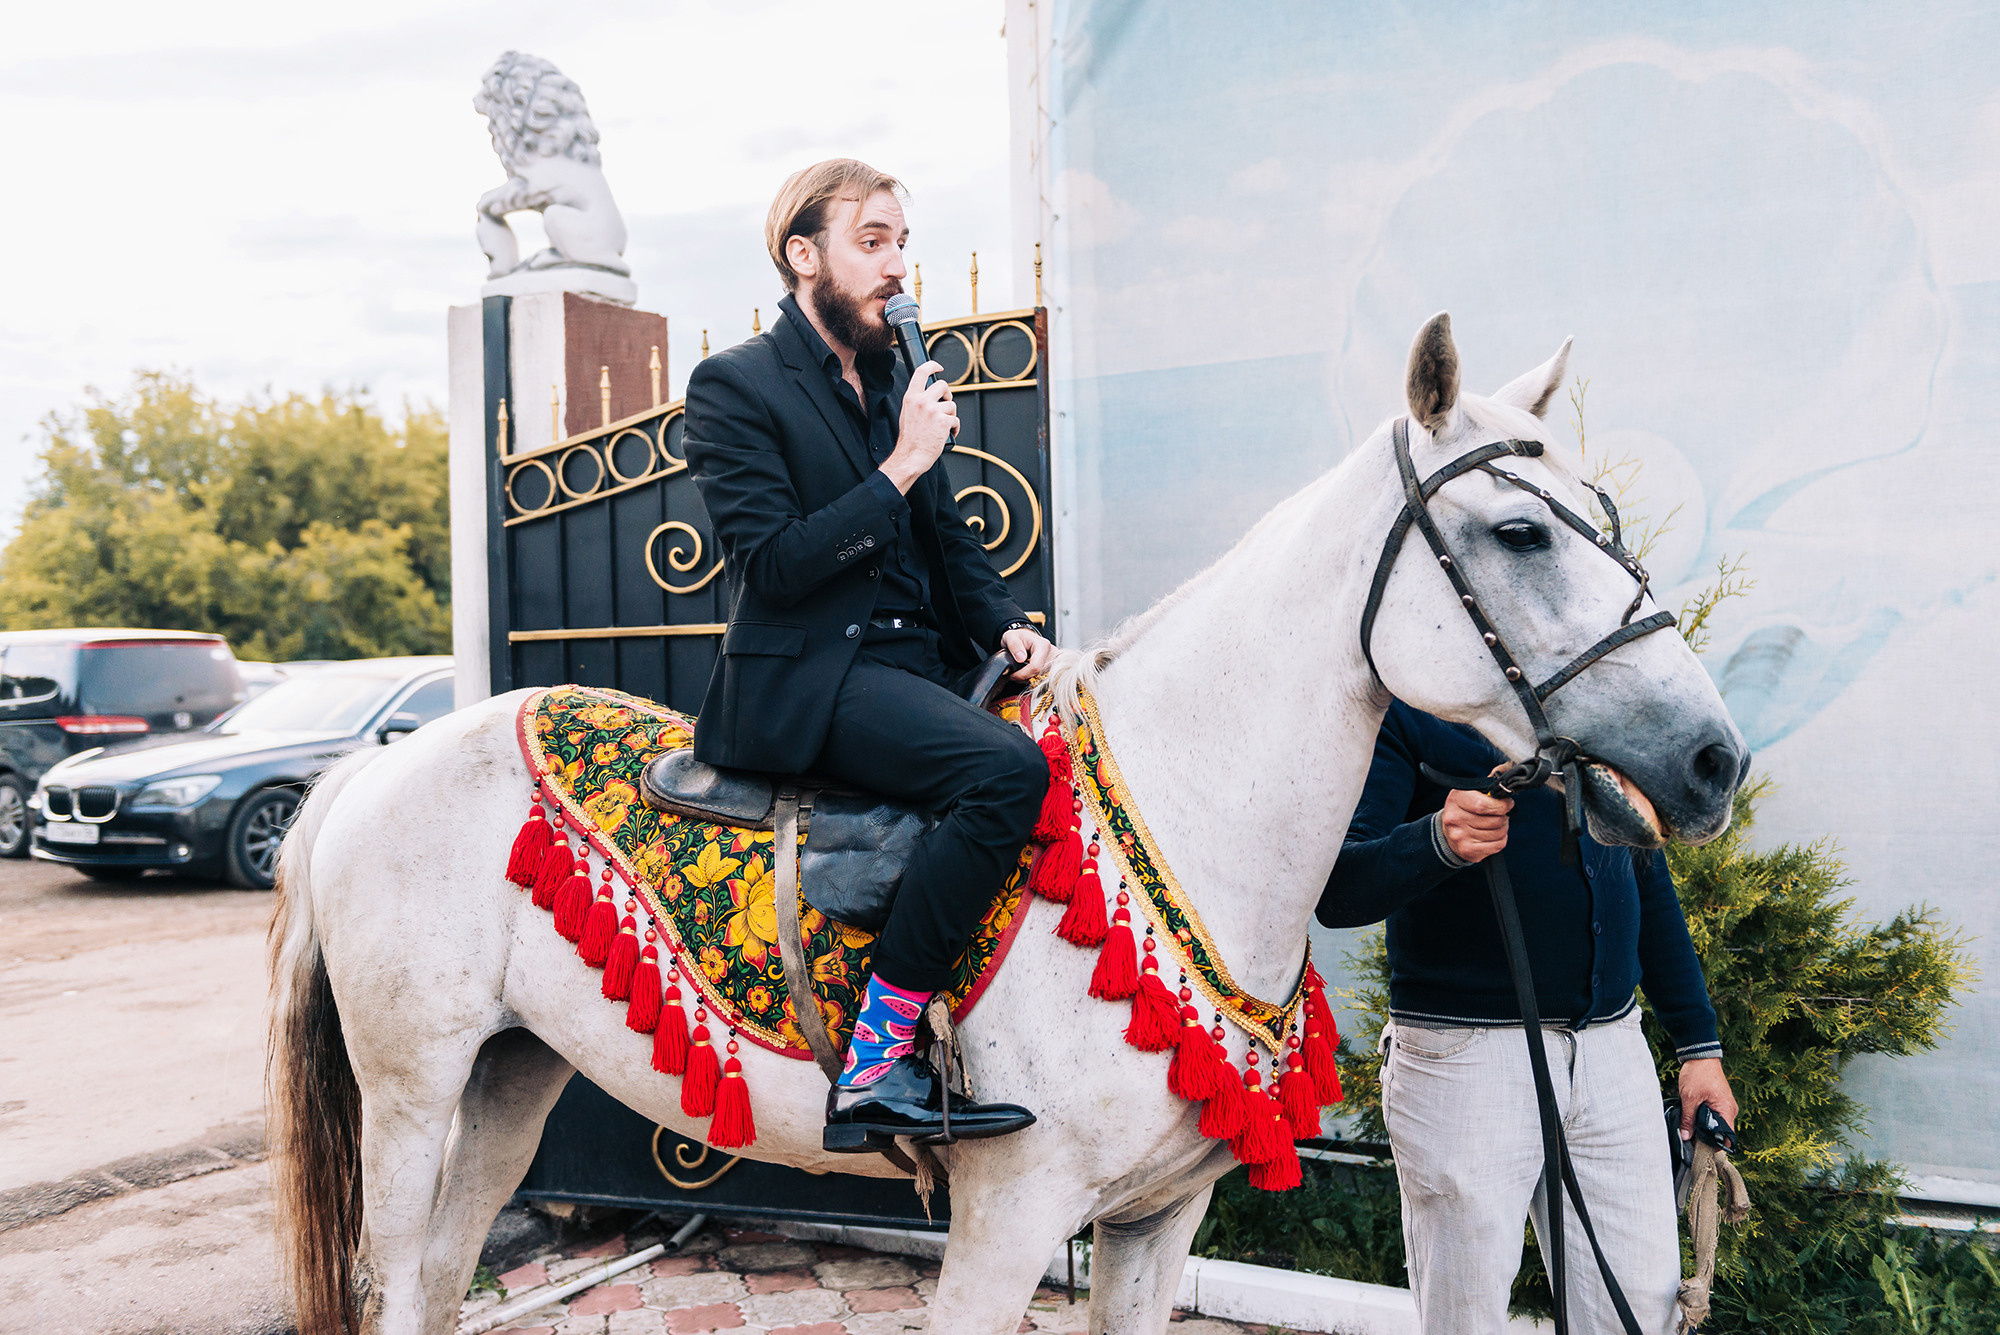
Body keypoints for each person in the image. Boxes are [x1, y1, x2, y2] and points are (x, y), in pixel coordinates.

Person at [682, 159, 1054, 1152]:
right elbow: (773, 565)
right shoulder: (735, 386)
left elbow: (946, 538)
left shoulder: (892, 377)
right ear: (805, 256)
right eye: (872, 242)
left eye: (902, 243)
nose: (897, 267)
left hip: (915, 667)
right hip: (815, 681)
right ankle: (875, 1066)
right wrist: (900, 463)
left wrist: (1001, 622)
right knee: (1003, 771)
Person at [1318, 700, 1740, 1334]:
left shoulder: (1600, 712)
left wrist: (1698, 1047)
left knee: (1642, 1313)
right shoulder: (1407, 714)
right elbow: (1337, 889)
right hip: (1466, 1062)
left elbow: (1646, 878)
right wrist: (1437, 840)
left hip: (1612, 1053)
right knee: (1466, 1320)